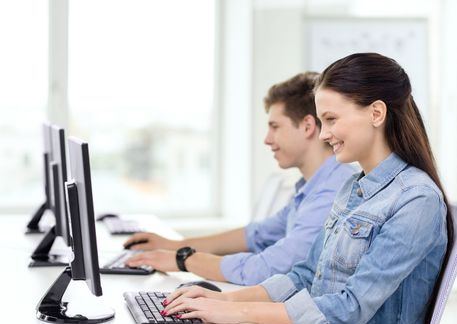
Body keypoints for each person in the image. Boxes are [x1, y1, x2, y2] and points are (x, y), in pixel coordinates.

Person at [160, 53, 453, 324]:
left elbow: (350, 308)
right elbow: (306, 274)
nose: (324, 134)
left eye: (331, 120)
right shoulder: (353, 188)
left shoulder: (416, 199)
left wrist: (236, 311)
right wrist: (225, 299)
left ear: (376, 113)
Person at [124, 72, 355, 285]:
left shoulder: (333, 191)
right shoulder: (310, 188)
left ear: (307, 126)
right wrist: (172, 246)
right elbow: (255, 235)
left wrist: (183, 259)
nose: (267, 139)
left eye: (275, 126)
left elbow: (267, 267)